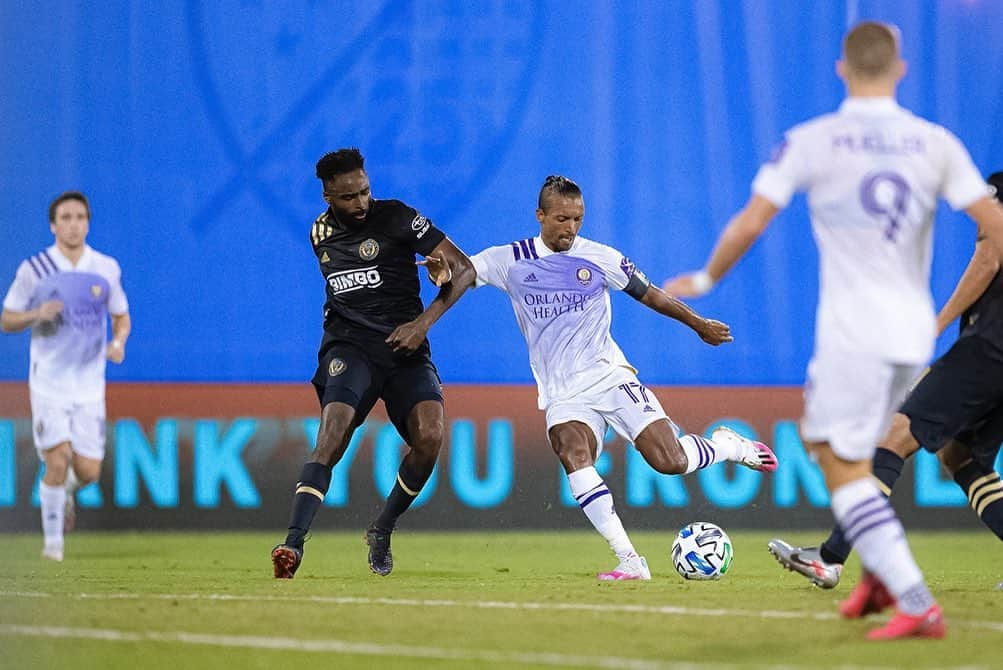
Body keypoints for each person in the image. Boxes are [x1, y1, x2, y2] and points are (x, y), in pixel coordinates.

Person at [664, 23, 1003, 639]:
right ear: (900, 69)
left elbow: (751, 221)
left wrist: (707, 278)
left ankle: (907, 596)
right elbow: (995, 228)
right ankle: (874, 574)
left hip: (854, 330)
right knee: (881, 449)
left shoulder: (813, 141)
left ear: (842, 70)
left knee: (836, 459)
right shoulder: (936, 143)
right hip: (910, 332)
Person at [437, 175, 778, 581]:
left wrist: (698, 324)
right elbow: (461, 270)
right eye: (562, 219)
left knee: (670, 461)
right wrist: (441, 267)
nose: (571, 228)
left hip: (609, 376)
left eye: (578, 219)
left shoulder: (600, 258)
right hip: (563, 393)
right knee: (572, 454)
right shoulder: (507, 260)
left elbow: (651, 294)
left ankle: (727, 445)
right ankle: (631, 561)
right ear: (540, 216)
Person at [768, 171, 1003, 588]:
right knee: (960, 456)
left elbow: (990, 256)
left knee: (893, 435)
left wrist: (936, 326)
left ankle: (830, 557)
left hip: (990, 346)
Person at [271, 148, 474, 579]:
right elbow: (350, 289)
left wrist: (423, 322)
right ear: (327, 196)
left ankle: (382, 527)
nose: (360, 203)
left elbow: (464, 269)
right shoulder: (319, 233)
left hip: (405, 346)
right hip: (350, 347)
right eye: (348, 197)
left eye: (364, 191)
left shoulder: (398, 217)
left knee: (431, 436)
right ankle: (292, 545)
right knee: (333, 433)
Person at [1, 191, 131, 562]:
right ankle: (53, 547)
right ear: (53, 225)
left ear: (87, 223)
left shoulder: (105, 268)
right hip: (49, 383)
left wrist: (118, 342)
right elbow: (7, 318)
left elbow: (121, 316)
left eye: (79, 217)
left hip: (89, 384)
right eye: (66, 217)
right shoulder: (36, 269)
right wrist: (35, 314)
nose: (73, 224)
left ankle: (66, 493)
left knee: (88, 470)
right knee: (56, 458)